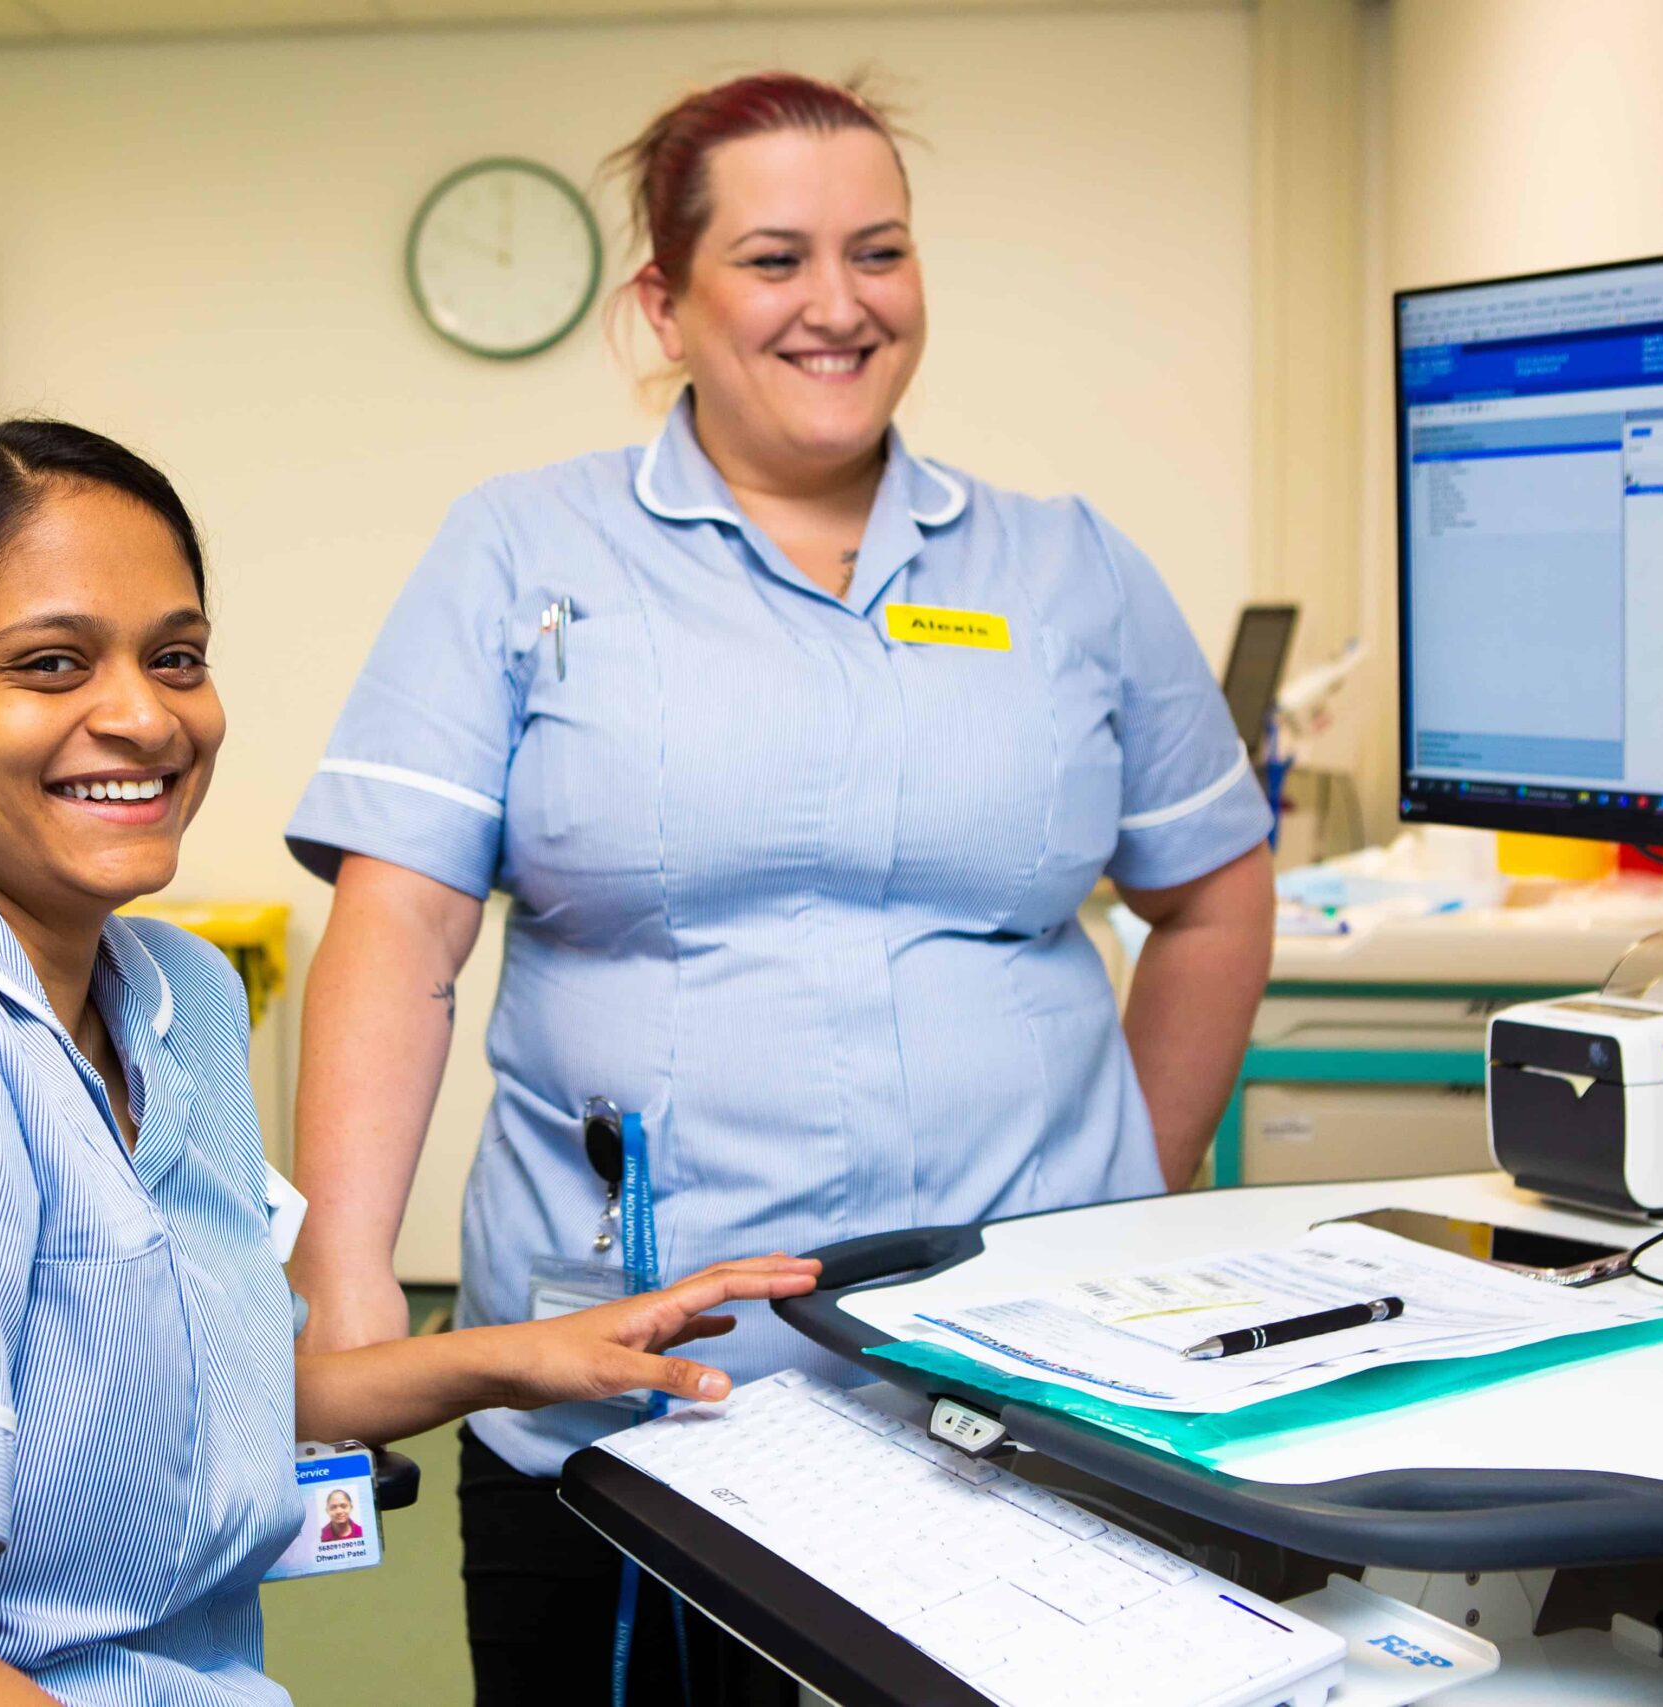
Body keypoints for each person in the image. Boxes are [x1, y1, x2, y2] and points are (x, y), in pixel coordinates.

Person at [282, 71, 1275, 1704]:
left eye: (878, 252)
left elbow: (1218, 896)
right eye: (774, 259)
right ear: (663, 303)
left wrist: (1117, 1204)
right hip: (643, 1395)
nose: (838, 305)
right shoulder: (525, 554)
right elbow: (399, 928)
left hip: (1031, 1381)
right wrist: (359, 1296)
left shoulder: (1066, 566)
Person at [0, 420, 817, 1707]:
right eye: (51, 663)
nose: (141, 717)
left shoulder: (165, 998)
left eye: (175, 658)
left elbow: (200, 1396)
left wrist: (519, 1355)